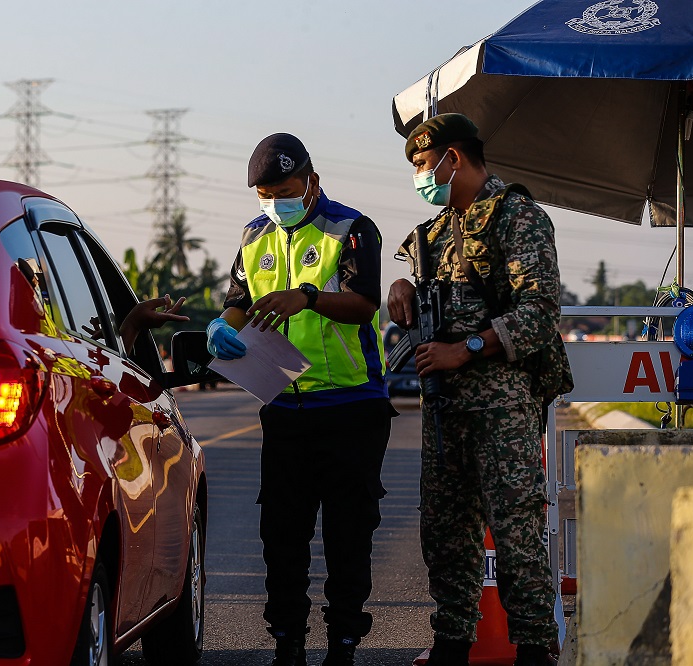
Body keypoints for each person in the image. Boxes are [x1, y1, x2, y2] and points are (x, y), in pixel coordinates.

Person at [387, 113, 572, 666]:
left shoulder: (519, 218)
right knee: (444, 534)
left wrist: (463, 351)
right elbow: (434, 310)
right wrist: (402, 291)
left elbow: (539, 314)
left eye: (423, 164)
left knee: (515, 535)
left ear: (454, 158)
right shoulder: (433, 235)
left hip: (503, 407)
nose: (421, 177)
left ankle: (536, 649)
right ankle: (451, 644)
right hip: (445, 408)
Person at [206, 133, 394, 666]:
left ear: (311, 181)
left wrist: (306, 297)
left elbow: (363, 304)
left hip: (351, 404)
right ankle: (287, 640)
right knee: (281, 534)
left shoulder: (351, 230)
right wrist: (222, 326)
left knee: (346, 533)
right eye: (264, 194)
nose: (273, 203)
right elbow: (239, 300)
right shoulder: (255, 234)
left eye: (284, 190)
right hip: (283, 405)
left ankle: (344, 641)